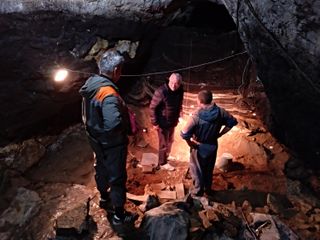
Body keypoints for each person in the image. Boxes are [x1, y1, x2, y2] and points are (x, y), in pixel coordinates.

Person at [79, 49, 137, 225]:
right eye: (121, 69)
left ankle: (104, 198)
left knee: (100, 168)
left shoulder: (92, 83)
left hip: (95, 139)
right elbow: (113, 123)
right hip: (111, 144)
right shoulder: (109, 94)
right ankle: (119, 215)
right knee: (117, 177)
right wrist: (119, 134)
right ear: (116, 69)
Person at [180, 90, 237, 196]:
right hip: (212, 145)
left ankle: (198, 191)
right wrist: (220, 134)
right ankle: (208, 189)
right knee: (208, 168)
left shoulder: (196, 116)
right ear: (211, 99)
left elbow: (184, 133)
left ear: (199, 101)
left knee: (197, 169)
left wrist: (189, 143)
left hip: (198, 146)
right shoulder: (221, 112)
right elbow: (232, 122)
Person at [150, 73, 184, 171]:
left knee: (170, 140)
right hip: (162, 122)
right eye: (172, 83)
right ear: (169, 80)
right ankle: (162, 163)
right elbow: (152, 108)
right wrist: (155, 123)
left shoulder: (180, 90)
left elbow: (179, 103)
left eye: (177, 84)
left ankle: (166, 156)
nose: (174, 86)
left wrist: (180, 114)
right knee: (163, 143)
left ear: (180, 83)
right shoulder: (161, 92)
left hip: (172, 121)